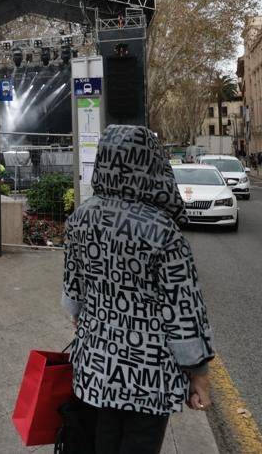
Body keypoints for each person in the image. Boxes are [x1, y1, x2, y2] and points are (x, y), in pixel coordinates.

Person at [62, 125, 214, 453]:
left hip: (95, 367)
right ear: (151, 165)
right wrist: (198, 376)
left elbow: (73, 300)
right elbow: (183, 315)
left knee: (102, 442)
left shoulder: (79, 219)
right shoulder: (164, 231)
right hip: (149, 377)